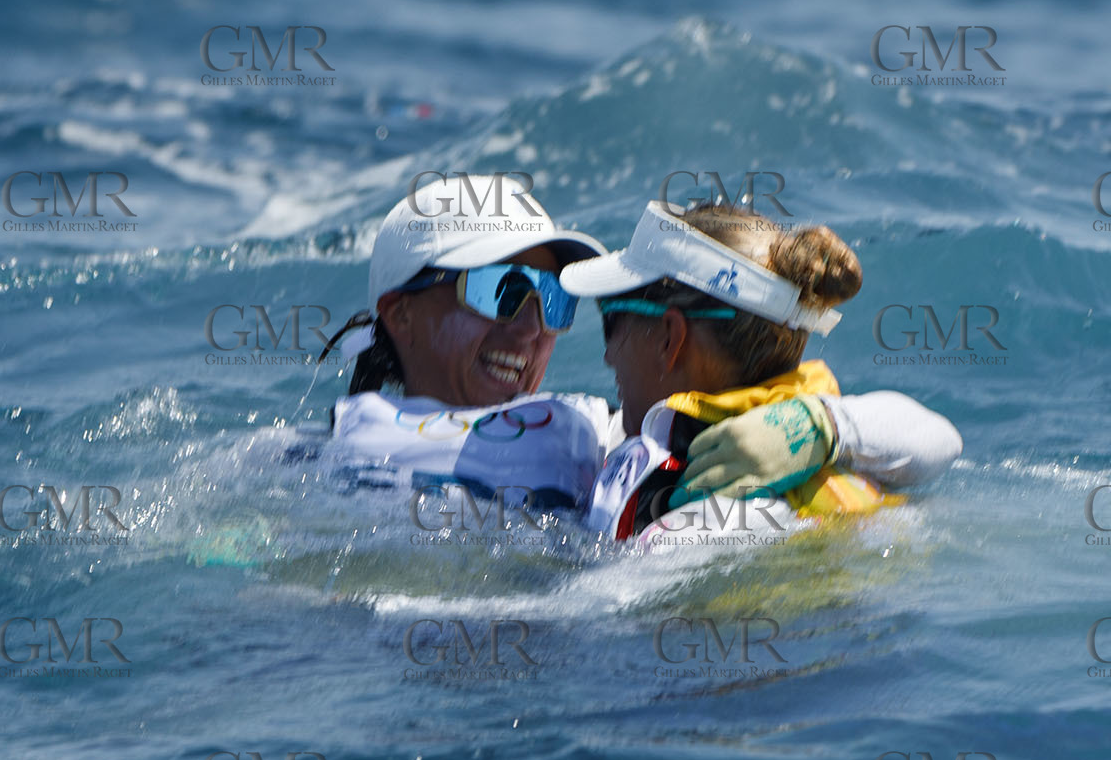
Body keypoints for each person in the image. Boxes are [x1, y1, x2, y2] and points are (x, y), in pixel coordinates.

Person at [316, 176, 952, 522]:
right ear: (399, 313)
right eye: (502, 291)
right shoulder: (311, 458)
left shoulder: (595, 432)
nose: (533, 327)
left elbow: (933, 438)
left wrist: (824, 425)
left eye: (555, 298)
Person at [558, 199, 962, 542]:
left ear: (670, 337)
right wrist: (822, 424)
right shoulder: (839, 451)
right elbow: (943, 441)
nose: (609, 354)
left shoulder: (687, 525)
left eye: (611, 319)